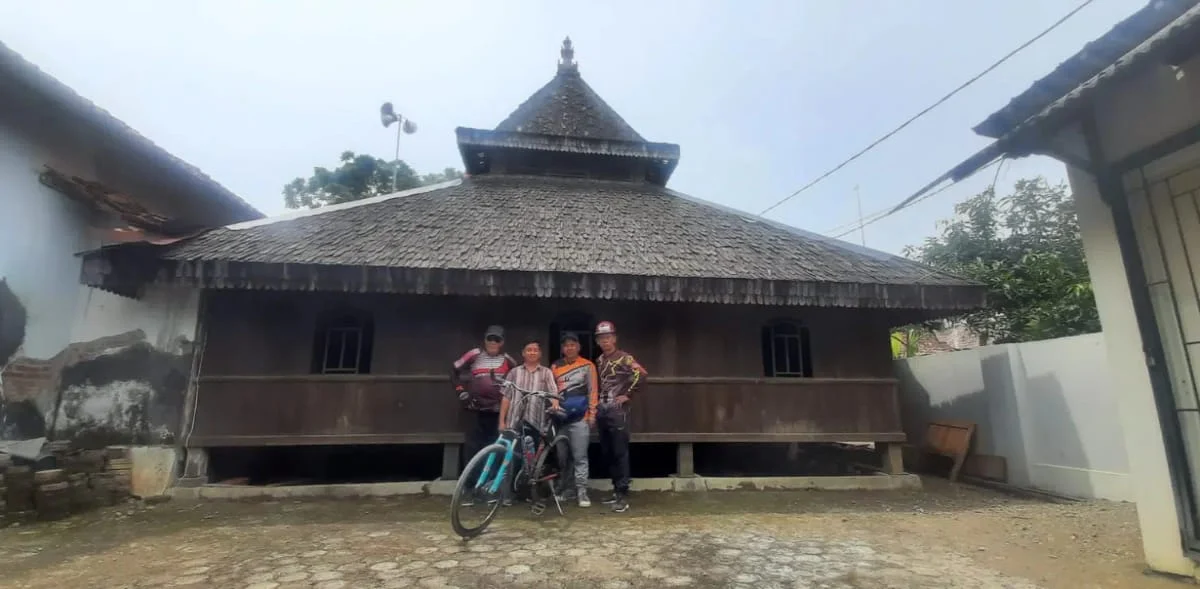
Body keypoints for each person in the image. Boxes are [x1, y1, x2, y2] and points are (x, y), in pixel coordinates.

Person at [451, 325, 516, 505]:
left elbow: (516, 379)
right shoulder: (474, 355)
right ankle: (469, 488)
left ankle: (490, 490)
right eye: (490, 339)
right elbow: (453, 371)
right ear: (485, 340)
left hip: (497, 413)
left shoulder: (508, 360)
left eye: (497, 340)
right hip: (475, 410)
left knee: (495, 450)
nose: (493, 343)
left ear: (502, 342)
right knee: (472, 449)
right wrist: (460, 391)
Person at [593, 320, 646, 513]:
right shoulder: (600, 360)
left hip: (618, 412)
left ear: (614, 338)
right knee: (608, 452)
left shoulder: (624, 358)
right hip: (603, 410)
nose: (605, 341)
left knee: (620, 452)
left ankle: (623, 496)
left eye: (607, 338)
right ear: (598, 341)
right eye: (601, 338)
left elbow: (641, 374)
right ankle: (616, 491)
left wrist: (628, 395)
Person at [499, 340, 559, 506]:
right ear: (523, 353)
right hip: (514, 422)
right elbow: (506, 397)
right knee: (509, 459)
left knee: (531, 462)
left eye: (535, 350)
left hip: (535, 423)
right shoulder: (514, 373)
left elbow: (553, 392)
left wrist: (555, 403)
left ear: (540, 354)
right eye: (529, 350)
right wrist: (502, 421)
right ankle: (506, 495)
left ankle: (529, 493)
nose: (532, 353)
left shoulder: (546, 373)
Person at [551, 333, 599, 507]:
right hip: (560, 418)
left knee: (580, 456)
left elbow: (592, 390)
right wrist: (554, 403)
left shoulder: (588, 365)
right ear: (562, 348)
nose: (569, 348)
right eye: (566, 345)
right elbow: (552, 389)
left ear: (578, 347)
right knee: (562, 457)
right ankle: (566, 488)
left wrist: (592, 413)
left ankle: (582, 492)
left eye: (573, 344)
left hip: (580, 418)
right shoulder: (555, 366)